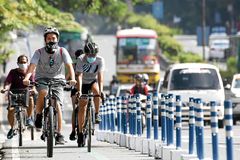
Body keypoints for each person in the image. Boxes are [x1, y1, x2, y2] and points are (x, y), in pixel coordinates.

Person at [23, 27, 76, 144]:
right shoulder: (39, 52)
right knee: (43, 92)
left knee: (57, 104)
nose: (51, 40)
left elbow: (69, 66)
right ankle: (38, 115)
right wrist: (27, 78)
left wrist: (72, 79)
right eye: (48, 38)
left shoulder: (62, 51)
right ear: (45, 40)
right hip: (42, 79)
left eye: (53, 38)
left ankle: (59, 133)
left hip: (58, 80)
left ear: (57, 39)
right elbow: (32, 67)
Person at [75, 41, 105, 146]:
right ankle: (80, 132)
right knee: (82, 105)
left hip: (93, 81)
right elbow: (79, 76)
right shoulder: (80, 59)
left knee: (97, 92)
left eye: (94, 55)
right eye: (89, 54)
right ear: (85, 53)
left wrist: (101, 91)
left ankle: (97, 113)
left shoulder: (100, 60)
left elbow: (100, 76)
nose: (92, 56)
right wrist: (79, 90)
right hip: (83, 82)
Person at [1, 55, 35, 139]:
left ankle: (29, 118)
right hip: (14, 93)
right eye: (21, 62)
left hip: (26, 93)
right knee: (10, 109)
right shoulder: (13, 72)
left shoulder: (30, 72)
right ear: (17, 63)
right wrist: (5, 88)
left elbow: (33, 82)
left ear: (27, 63)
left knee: (30, 98)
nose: (23, 64)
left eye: (24, 62)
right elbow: (8, 82)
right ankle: (12, 129)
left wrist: (33, 89)